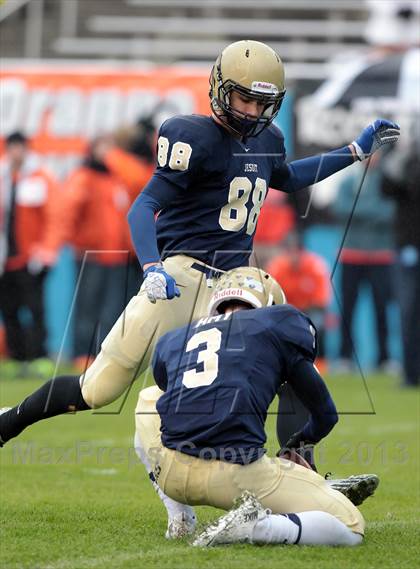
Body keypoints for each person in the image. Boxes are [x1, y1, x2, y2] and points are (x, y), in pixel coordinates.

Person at [0, 40, 400, 447]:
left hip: (238, 280)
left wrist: (353, 151)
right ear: (221, 88)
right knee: (97, 390)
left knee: (289, 348)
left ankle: (297, 461)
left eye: (263, 103)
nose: (253, 112)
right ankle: (10, 421)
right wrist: (153, 267)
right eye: (245, 99)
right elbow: (144, 207)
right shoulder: (193, 136)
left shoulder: (268, 140)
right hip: (181, 276)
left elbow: (289, 178)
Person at [134, 267, 366, 547]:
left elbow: (171, 388)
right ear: (269, 304)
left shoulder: (175, 338)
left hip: (171, 472)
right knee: (351, 526)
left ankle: (179, 515)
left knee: (148, 398)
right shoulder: (280, 323)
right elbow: (326, 415)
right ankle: (260, 525)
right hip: (237, 476)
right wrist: (298, 443)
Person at [61, 135, 153, 370]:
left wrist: (112, 155)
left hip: (120, 256)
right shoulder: (84, 177)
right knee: (87, 309)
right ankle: (83, 355)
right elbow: (67, 211)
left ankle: (105, 356)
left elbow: (141, 179)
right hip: (90, 255)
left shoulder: (121, 177)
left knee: (114, 311)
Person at [0, 131, 62, 378]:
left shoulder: (41, 177)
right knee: (9, 309)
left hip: (31, 258)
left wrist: (47, 250)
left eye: (20, 147)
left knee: (36, 309)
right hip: (6, 259)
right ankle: (16, 357)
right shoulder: (3, 177)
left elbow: (54, 218)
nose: (16, 152)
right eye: (12, 147)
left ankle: (40, 356)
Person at [331, 153, 396, 372]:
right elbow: (341, 209)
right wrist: (373, 213)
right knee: (348, 308)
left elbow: (392, 213)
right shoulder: (348, 181)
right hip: (351, 254)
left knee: (382, 308)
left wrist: (360, 212)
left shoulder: (388, 182)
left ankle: (384, 358)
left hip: (380, 255)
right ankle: (344, 357)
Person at [381, 139, 420, 387]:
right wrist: (395, 158)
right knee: (408, 312)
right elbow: (387, 189)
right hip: (408, 247)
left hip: (409, 246)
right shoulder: (407, 161)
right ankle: (410, 373)